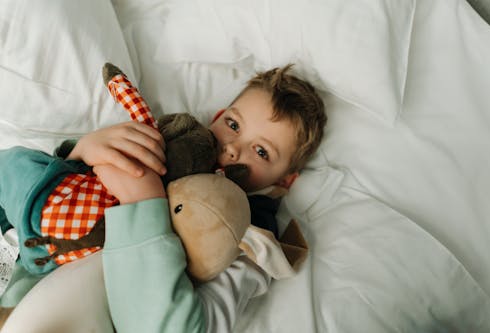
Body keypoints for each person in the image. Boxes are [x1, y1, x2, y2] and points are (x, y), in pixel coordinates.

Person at [0, 65, 327, 332]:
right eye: (232, 124)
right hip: (36, 274)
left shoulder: (252, 242)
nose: (231, 148)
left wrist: (143, 204)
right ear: (216, 116)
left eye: (261, 151)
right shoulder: (173, 142)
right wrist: (79, 151)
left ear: (284, 182)